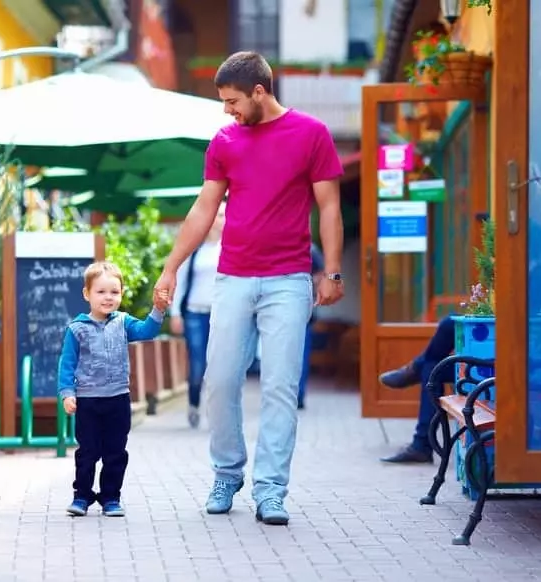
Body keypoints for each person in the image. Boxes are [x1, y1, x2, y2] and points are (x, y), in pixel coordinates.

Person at [153, 51, 345, 526]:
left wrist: (333, 271)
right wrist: (171, 267)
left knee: (279, 387)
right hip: (234, 277)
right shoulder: (224, 141)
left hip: (288, 280)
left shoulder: (311, 134)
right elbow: (202, 210)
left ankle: (271, 490)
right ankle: (226, 473)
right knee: (218, 381)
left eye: (233, 100)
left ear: (260, 92)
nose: (227, 110)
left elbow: (329, 208)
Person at [379, 233, 541, 463]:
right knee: (433, 366)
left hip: (530, 366)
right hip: (519, 358)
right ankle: (421, 441)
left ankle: (415, 375)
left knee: (448, 326)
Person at [58, 261, 169, 517]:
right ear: (87, 294)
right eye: (101, 292)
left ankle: (111, 498)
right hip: (87, 401)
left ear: (121, 294)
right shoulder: (77, 329)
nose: (108, 297)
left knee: (115, 452)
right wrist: (67, 393)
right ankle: (81, 497)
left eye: (114, 292)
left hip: (118, 399)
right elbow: (67, 363)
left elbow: (147, 331)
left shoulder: (123, 322)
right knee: (87, 452)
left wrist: (158, 310)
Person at [170, 203, 226, 428]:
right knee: (197, 365)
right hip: (194, 313)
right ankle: (193, 403)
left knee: (220, 366)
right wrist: (175, 314)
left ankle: (217, 412)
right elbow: (180, 283)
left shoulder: (231, 249)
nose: (221, 220)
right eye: (218, 215)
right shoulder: (194, 250)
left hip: (221, 316)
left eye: (224, 215)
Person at [298, 243, 326, 410]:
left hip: (304, 311)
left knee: (301, 354)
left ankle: (299, 396)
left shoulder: (310, 249)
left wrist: (307, 283)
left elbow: (323, 274)